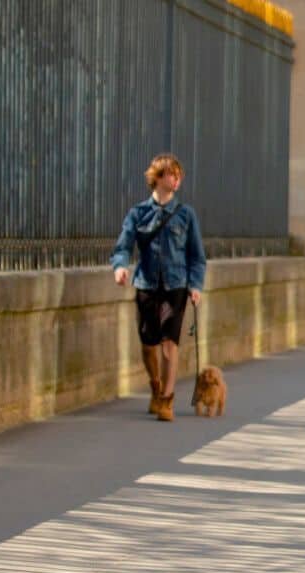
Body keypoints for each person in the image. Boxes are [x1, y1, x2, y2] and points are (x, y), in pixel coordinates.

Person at [110, 153, 206, 422]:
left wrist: (195, 286)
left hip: (176, 287)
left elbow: (197, 256)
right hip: (146, 285)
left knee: (169, 343)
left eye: (178, 175)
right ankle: (155, 384)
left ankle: (166, 398)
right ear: (158, 178)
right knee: (148, 343)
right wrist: (120, 267)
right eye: (171, 174)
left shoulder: (186, 215)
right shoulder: (138, 213)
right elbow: (123, 247)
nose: (176, 180)